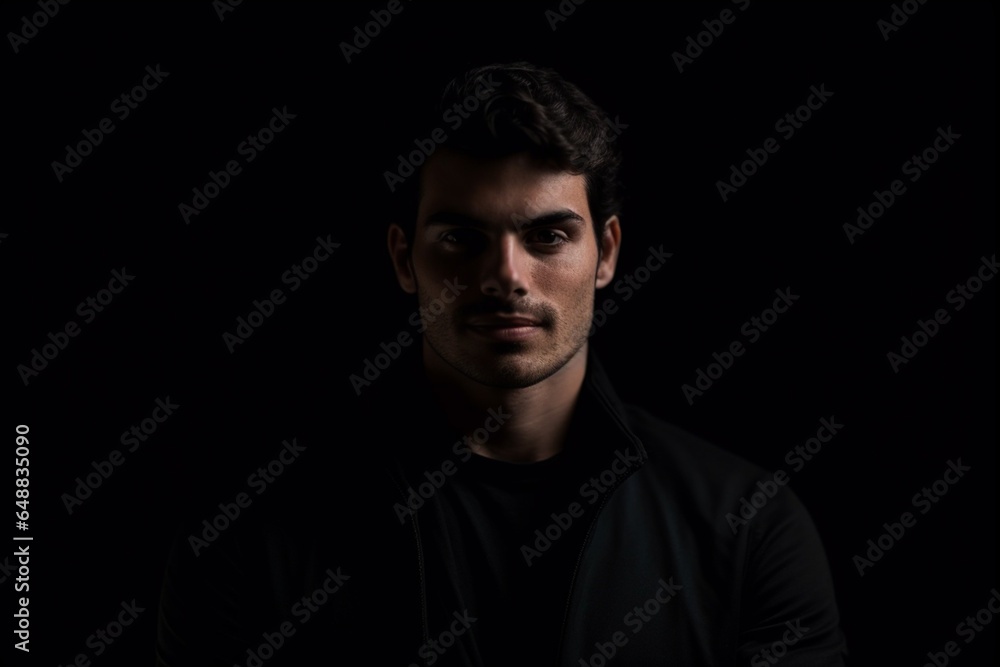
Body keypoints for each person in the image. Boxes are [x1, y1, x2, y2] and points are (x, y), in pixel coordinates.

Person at [155, 61, 848, 666]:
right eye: (462, 236)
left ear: (606, 253)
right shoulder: (249, 533)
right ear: (404, 258)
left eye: (548, 235)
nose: (504, 275)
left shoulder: (749, 525)